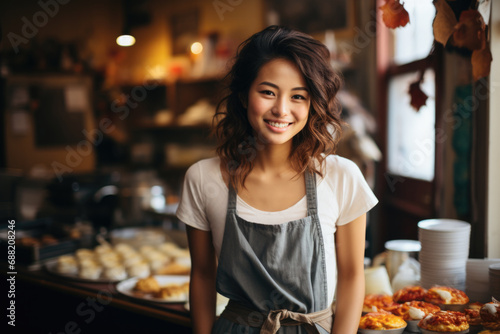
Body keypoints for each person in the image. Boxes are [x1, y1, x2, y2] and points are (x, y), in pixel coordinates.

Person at [176, 25, 378, 334]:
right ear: (244, 96)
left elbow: (352, 276)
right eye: (268, 92)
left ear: (312, 105)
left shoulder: (342, 177)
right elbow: (202, 275)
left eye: (298, 96)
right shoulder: (203, 178)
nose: (281, 110)